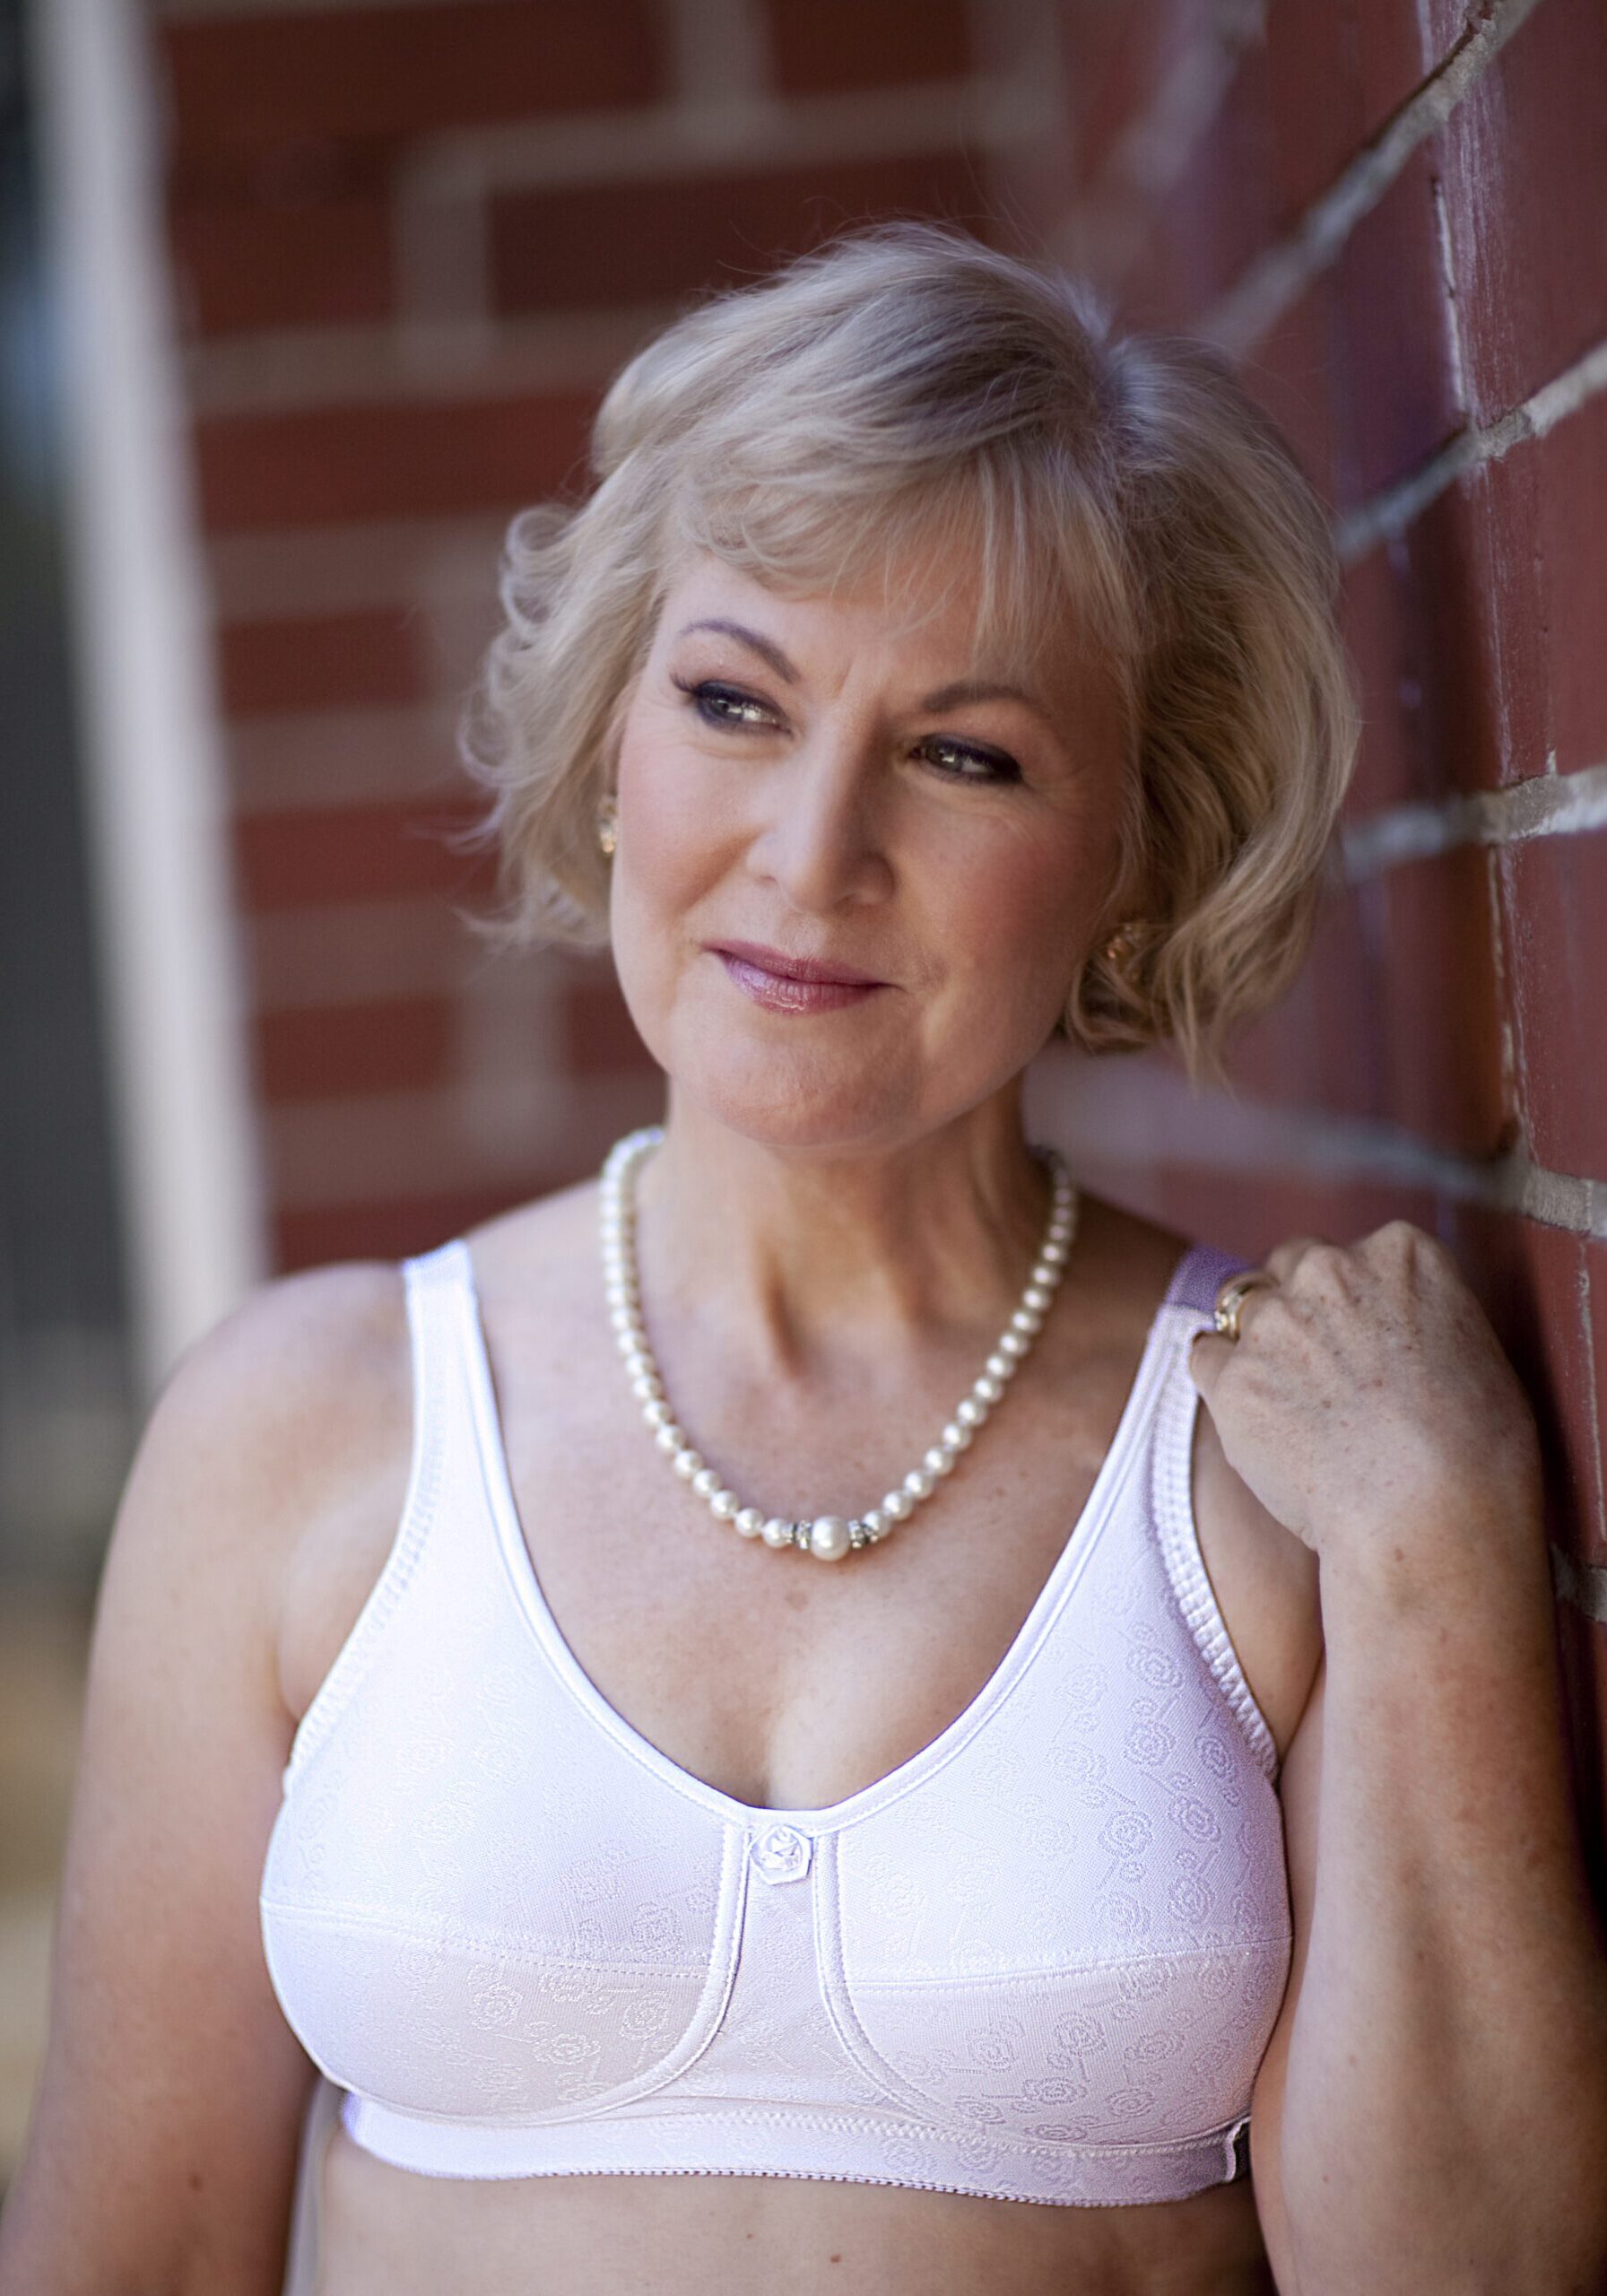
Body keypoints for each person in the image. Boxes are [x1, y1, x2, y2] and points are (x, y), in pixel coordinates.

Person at [3, 224, 1604, 2296]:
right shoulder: (302, 1429)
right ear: (609, 738)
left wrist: (1430, 1549)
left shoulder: (1279, 1458)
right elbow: (128, 2253)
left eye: (965, 753)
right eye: (733, 700)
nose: (809, 849)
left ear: (1136, 840)